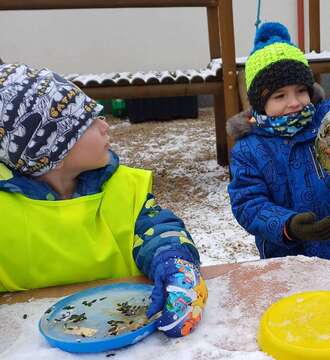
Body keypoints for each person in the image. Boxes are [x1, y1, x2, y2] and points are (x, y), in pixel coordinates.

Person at [0, 63, 207, 338]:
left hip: (130, 329)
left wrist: (173, 260)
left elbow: (158, 230)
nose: (104, 125)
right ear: (49, 151)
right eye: (87, 122)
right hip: (26, 343)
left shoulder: (123, 187)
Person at [227, 22, 330, 267]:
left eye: (300, 91)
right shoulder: (249, 149)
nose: (294, 102)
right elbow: (247, 203)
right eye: (280, 96)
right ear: (259, 103)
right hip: (288, 255)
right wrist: (288, 225)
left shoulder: (328, 119)